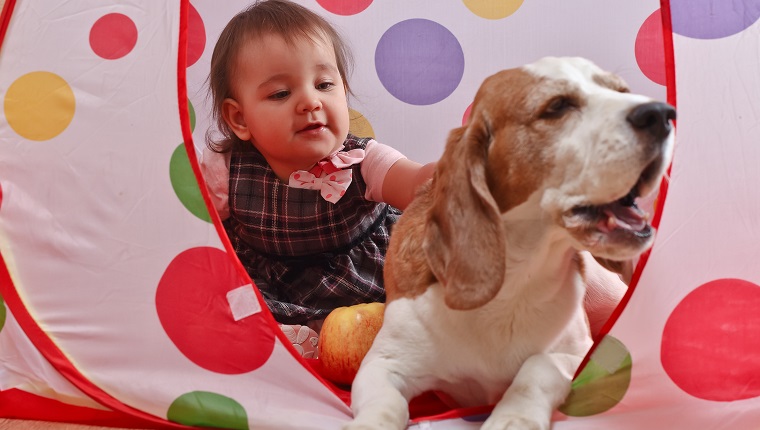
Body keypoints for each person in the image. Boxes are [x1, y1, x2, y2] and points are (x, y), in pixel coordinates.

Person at [200, 0, 435, 357]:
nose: (310, 101)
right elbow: (188, 227)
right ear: (239, 119)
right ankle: (294, 343)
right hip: (276, 289)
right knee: (222, 300)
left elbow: (419, 186)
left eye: (324, 84)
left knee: (427, 292)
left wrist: (451, 172)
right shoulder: (225, 171)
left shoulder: (364, 160)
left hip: (370, 283)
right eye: (281, 93)